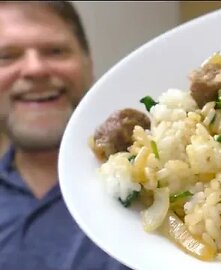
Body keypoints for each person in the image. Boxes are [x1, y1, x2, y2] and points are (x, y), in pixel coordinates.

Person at [0, 2, 129, 269]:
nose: (35, 69)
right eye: (6, 56)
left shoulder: (157, 179)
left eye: (55, 51)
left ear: (88, 64)